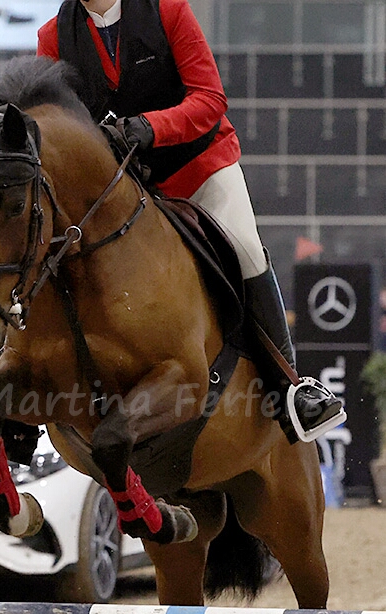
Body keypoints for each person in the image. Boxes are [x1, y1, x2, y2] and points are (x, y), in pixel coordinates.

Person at [35, 0, 345, 443]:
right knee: (45, 254)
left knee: (245, 250)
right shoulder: (53, 36)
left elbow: (210, 99)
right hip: (126, 188)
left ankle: (290, 390)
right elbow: (51, 122)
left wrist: (151, 127)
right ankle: (18, 407)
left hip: (199, 168)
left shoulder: (169, 11)